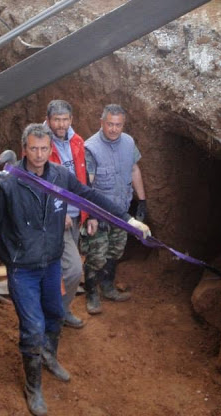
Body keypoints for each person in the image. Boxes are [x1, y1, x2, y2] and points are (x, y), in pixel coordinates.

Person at [0, 123, 149, 416]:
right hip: (22, 268)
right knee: (32, 328)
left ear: (49, 149)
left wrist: (127, 220)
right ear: (24, 148)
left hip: (51, 263)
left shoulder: (60, 176)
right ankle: (34, 387)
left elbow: (91, 197)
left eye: (44, 149)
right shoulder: (8, 184)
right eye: (33, 149)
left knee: (54, 314)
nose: (39, 155)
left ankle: (49, 357)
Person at [82, 104, 148, 315]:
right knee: (96, 255)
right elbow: (86, 186)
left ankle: (108, 287)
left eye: (118, 125)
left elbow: (134, 169)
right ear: (102, 122)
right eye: (109, 124)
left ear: (123, 125)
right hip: (99, 214)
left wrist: (142, 201)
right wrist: (90, 215)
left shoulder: (128, 142)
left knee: (115, 251)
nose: (113, 129)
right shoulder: (90, 148)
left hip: (122, 211)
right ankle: (91, 293)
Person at [45, 99, 97, 329]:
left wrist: (90, 213)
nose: (61, 124)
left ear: (71, 120)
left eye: (65, 119)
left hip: (76, 216)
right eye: (57, 119)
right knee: (74, 269)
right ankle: (55, 311)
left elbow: (82, 181)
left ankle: (60, 311)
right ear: (48, 120)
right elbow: (39, 182)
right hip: (56, 218)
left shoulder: (77, 141)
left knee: (64, 268)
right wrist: (58, 211)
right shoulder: (40, 142)